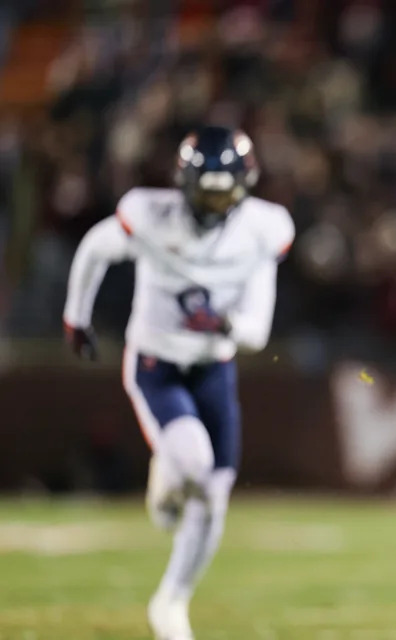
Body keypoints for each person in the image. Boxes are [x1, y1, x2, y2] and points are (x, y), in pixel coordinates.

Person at [63, 126, 294, 640]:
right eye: (205, 189)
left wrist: (224, 324)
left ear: (245, 184)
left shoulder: (264, 228)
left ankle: (172, 600)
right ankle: (168, 471)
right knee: (192, 462)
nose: (213, 202)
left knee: (214, 494)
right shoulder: (151, 214)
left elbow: (256, 329)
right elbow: (96, 248)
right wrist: (75, 316)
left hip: (214, 366)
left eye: (223, 190)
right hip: (156, 364)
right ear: (183, 182)